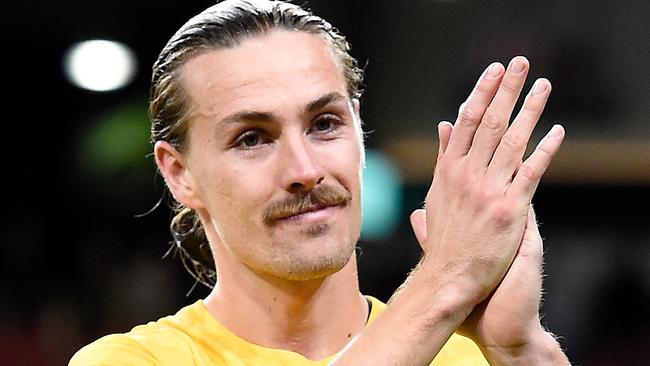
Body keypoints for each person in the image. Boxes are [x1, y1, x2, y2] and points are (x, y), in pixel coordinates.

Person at [70, 0, 571, 364]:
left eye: (325, 124)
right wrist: (448, 279)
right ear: (179, 173)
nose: (305, 170)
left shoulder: (471, 357)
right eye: (251, 139)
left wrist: (521, 348)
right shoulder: (132, 361)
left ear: (358, 127)